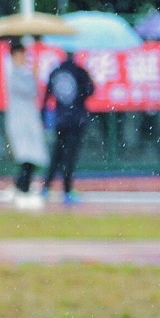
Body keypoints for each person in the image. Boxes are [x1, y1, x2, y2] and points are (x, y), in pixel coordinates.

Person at [42, 49, 95, 204]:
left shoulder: (56, 71)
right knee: (70, 157)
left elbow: (47, 95)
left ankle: (47, 186)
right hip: (76, 120)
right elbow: (90, 90)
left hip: (61, 119)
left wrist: (44, 116)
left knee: (57, 155)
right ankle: (66, 190)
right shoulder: (80, 71)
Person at [2, 36, 49, 209]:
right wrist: (34, 76)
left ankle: (22, 187)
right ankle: (22, 188)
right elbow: (29, 90)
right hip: (19, 121)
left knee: (31, 156)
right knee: (26, 155)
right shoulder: (12, 73)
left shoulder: (22, 73)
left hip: (28, 120)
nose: (23, 59)